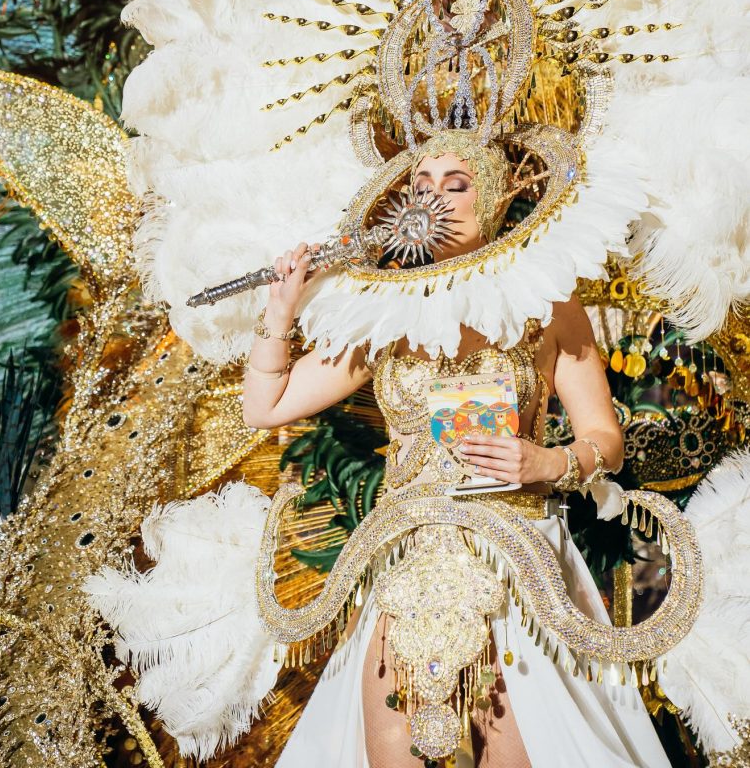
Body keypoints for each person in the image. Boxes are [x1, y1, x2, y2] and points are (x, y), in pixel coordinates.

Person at [243, 145, 670, 768]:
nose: (434, 196)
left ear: (494, 199)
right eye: (421, 184)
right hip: (406, 560)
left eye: (457, 182)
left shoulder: (546, 301)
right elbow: (266, 406)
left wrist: (546, 464)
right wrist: (280, 312)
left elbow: (605, 436)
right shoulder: (384, 313)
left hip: (517, 556)